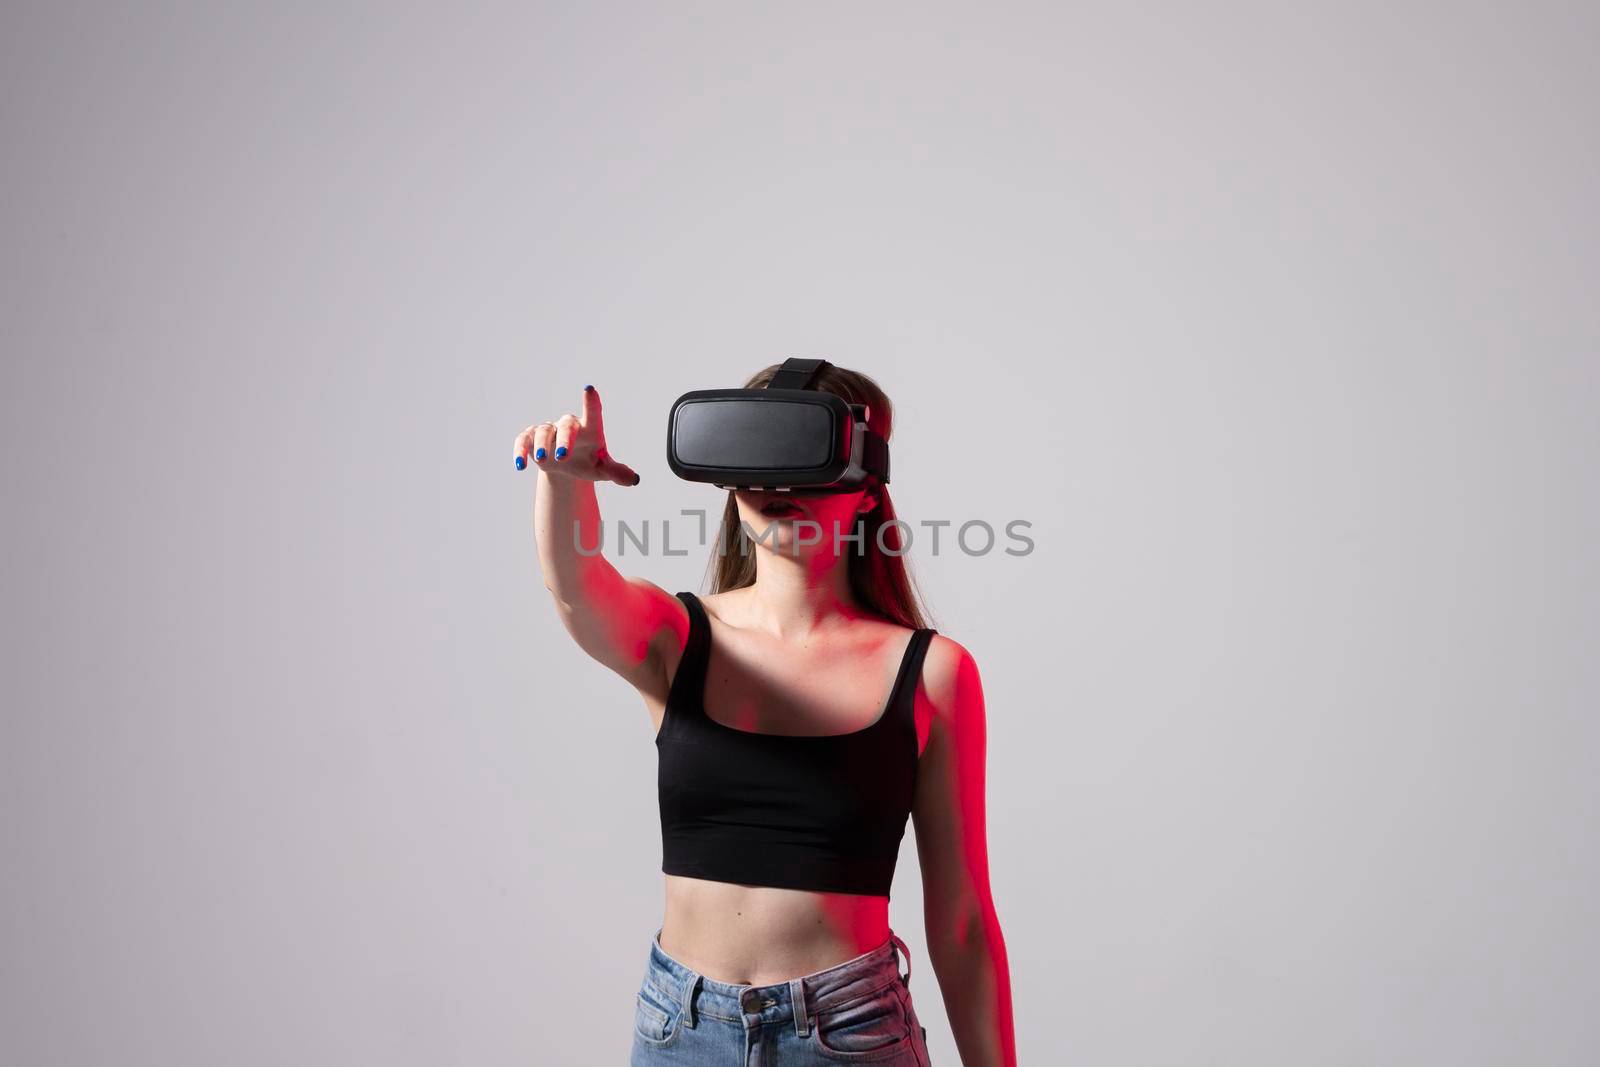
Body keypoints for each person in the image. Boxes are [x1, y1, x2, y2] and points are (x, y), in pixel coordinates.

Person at [513, 362, 1015, 1065]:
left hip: (849, 1034)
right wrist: (564, 483)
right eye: (758, 457)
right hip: (678, 1029)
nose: (777, 489)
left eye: (802, 460)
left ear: (867, 488)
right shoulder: (677, 636)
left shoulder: (933, 674)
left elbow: (961, 923)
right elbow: (578, 588)